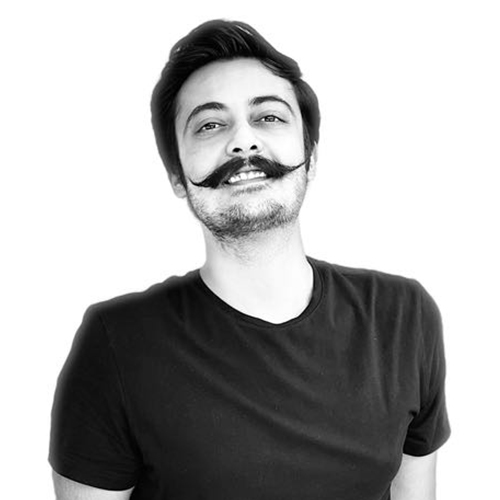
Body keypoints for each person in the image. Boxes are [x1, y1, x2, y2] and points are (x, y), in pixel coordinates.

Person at [49, 19, 450, 500]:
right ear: (177, 175)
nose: (243, 141)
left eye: (269, 117)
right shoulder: (115, 345)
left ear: (311, 157)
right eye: (210, 125)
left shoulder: (405, 317)